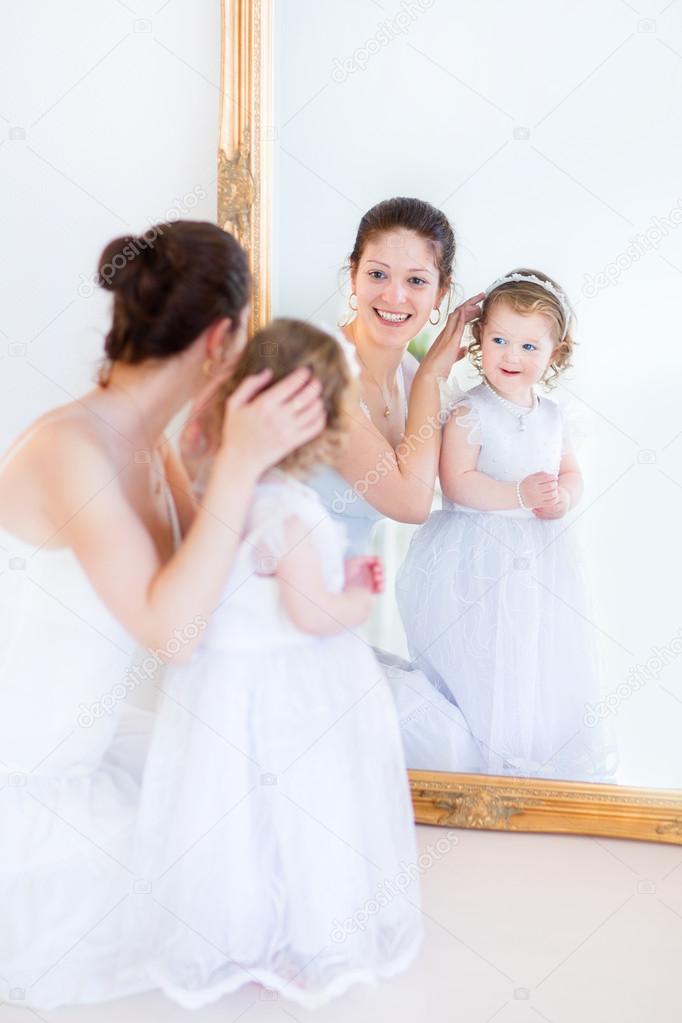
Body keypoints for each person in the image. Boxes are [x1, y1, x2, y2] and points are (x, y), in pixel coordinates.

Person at [0, 221, 325, 1009]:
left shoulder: (150, 444)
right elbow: (175, 635)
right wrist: (242, 463)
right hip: (26, 774)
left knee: (254, 802)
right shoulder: (67, 449)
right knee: (199, 870)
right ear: (220, 336)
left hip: (88, 747)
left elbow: (203, 599)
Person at [127, 318, 424, 1010]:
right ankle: (304, 942)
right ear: (323, 423)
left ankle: (229, 934)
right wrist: (358, 593)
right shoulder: (291, 510)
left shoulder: (220, 490)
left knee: (233, 816)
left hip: (222, 682)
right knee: (303, 814)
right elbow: (308, 613)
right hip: (289, 691)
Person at [181, 197, 486, 773]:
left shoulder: (406, 376)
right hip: (272, 620)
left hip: (322, 615)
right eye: (377, 275)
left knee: (462, 721)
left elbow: (457, 488)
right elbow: (409, 501)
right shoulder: (321, 367)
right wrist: (432, 376)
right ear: (353, 276)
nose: (394, 297)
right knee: (440, 743)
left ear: (441, 293)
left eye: (416, 281)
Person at [396, 269, 619, 782]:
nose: (511, 356)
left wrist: (563, 495)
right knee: (486, 654)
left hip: (540, 556)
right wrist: (516, 494)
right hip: (477, 554)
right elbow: (457, 483)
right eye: (498, 340)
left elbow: (571, 471)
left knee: (536, 651)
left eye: (527, 345)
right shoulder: (470, 411)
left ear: (555, 352)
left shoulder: (554, 415)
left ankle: (531, 757)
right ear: (479, 339)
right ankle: (482, 756)